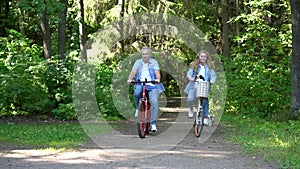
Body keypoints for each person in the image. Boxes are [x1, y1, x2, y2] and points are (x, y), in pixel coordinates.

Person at [127, 46, 165, 132]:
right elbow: (133, 71)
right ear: (141, 54)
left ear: (150, 54)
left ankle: (153, 124)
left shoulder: (154, 62)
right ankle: (138, 108)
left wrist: (158, 79)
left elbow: (157, 72)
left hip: (152, 84)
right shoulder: (138, 62)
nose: (145, 56)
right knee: (136, 93)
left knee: (154, 102)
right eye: (143, 54)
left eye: (146, 54)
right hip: (140, 83)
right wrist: (130, 79)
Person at [184, 50, 216, 126]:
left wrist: (212, 80)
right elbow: (189, 73)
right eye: (202, 56)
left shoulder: (209, 67)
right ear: (198, 57)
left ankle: (205, 117)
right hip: (194, 85)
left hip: (204, 86)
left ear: (207, 58)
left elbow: (213, 75)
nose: (203, 58)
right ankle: (191, 109)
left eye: (205, 57)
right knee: (190, 99)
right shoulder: (194, 66)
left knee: (204, 101)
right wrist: (190, 77)